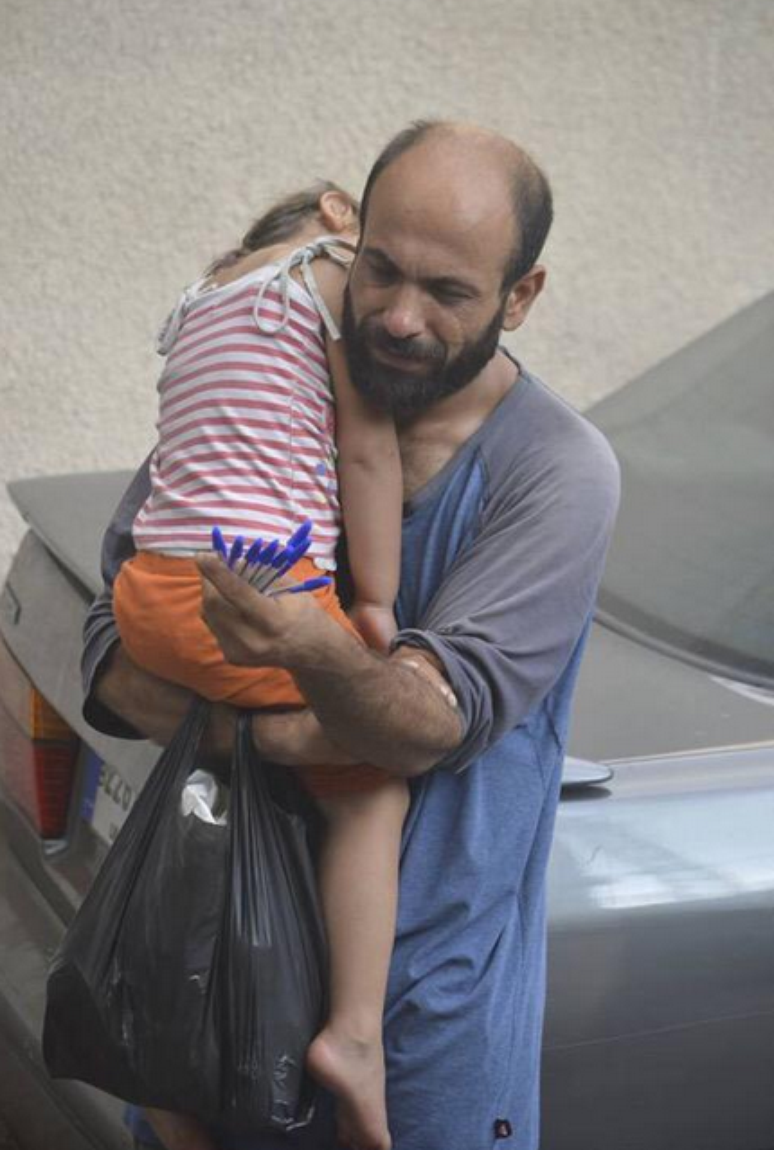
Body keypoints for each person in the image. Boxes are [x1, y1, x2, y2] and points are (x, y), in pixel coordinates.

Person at [82, 120, 621, 1150]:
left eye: (450, 293)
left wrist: (300, 655)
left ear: (522, 297)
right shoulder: (276, 383)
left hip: (418, 1042)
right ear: (352, 232)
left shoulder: (556, 470)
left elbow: (421, 725)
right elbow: (109, 657)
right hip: (210, 987)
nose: (401, 318)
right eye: (382, 269)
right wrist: (294, 727)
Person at [109, 183, 408, 1150]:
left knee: (215, 780)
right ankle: (353, 1039)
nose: (393, 285)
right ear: (336, 209)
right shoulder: (331, 277)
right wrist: (371, 609)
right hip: (252, 595)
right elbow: (365, 451)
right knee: (372, 779)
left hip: (150, 590)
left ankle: (159, 1058)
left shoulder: (201, 298)